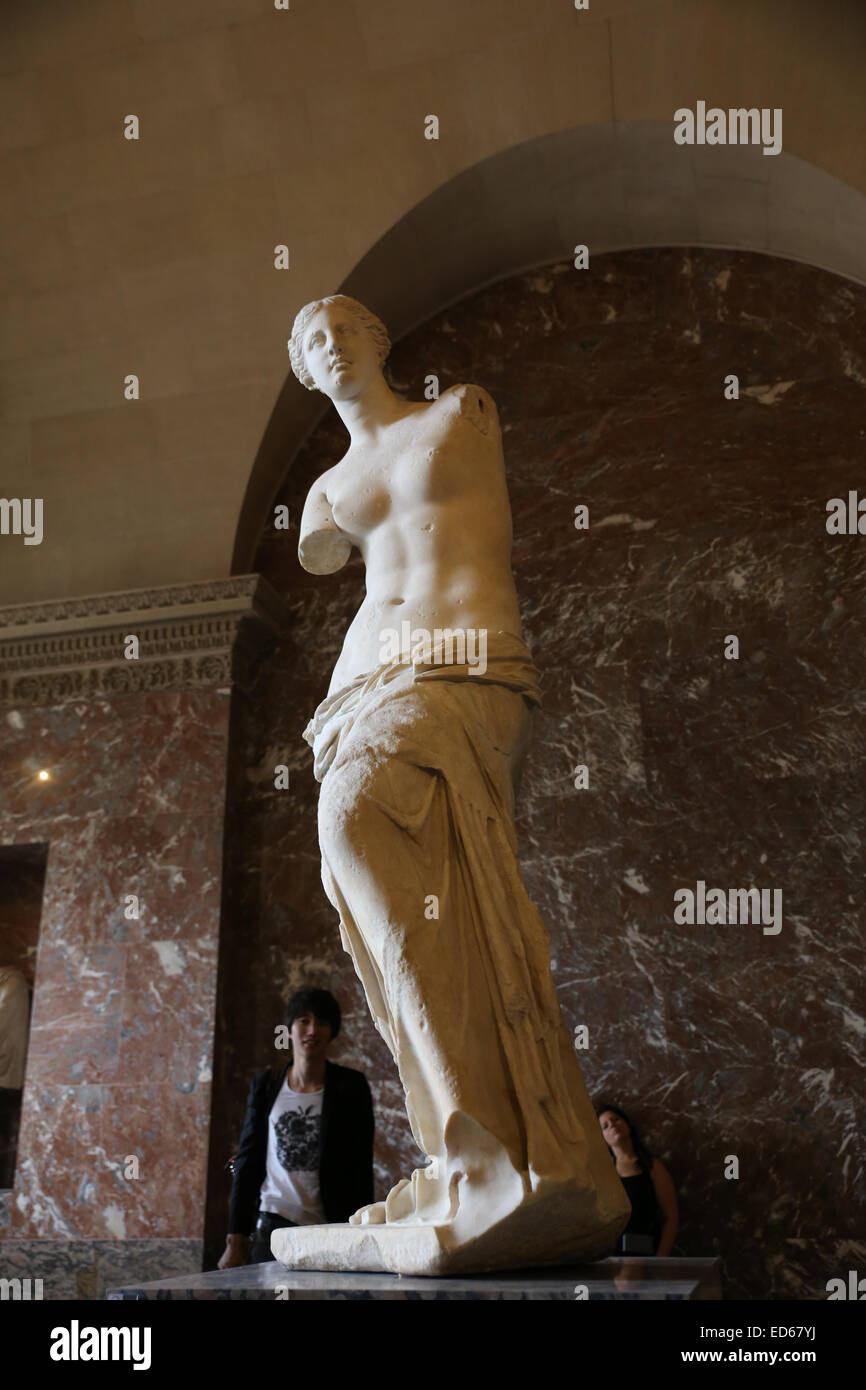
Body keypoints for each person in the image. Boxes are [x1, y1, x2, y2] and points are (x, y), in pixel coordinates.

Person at [284, 294, 631, 1273]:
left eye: (346, 325)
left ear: (379, 339)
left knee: (355, 823)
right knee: (386, 902)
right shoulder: (325, 491)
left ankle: (498, 1152)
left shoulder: (457, 415)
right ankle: (484, 1151)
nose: (331, 341)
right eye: (313, 341)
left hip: (463, 663)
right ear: (306, 371)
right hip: (363, 685)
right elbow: (321, 554)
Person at [218, 987, 374, 1268]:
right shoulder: (265, 1085)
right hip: (272, 1225)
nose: (312, 1030)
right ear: (289, 1029)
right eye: (304, 1021)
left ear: (332, 1031)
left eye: (322, 1023)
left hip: (330, 1227)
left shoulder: (351, 1087)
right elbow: (248, 1161)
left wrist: (363, 1233)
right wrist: (235, 1241)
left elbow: (361, 1166)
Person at [596, 1104, 679, 1257]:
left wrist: (660, 1258)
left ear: (628, 1124)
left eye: (616, 1120)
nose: (612, 1126)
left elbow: (671, 1216)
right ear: (602, 1137)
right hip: (612, 1256)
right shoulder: (604, 1173)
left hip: (645, 1251)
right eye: (605, 1126)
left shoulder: (652, 1166)